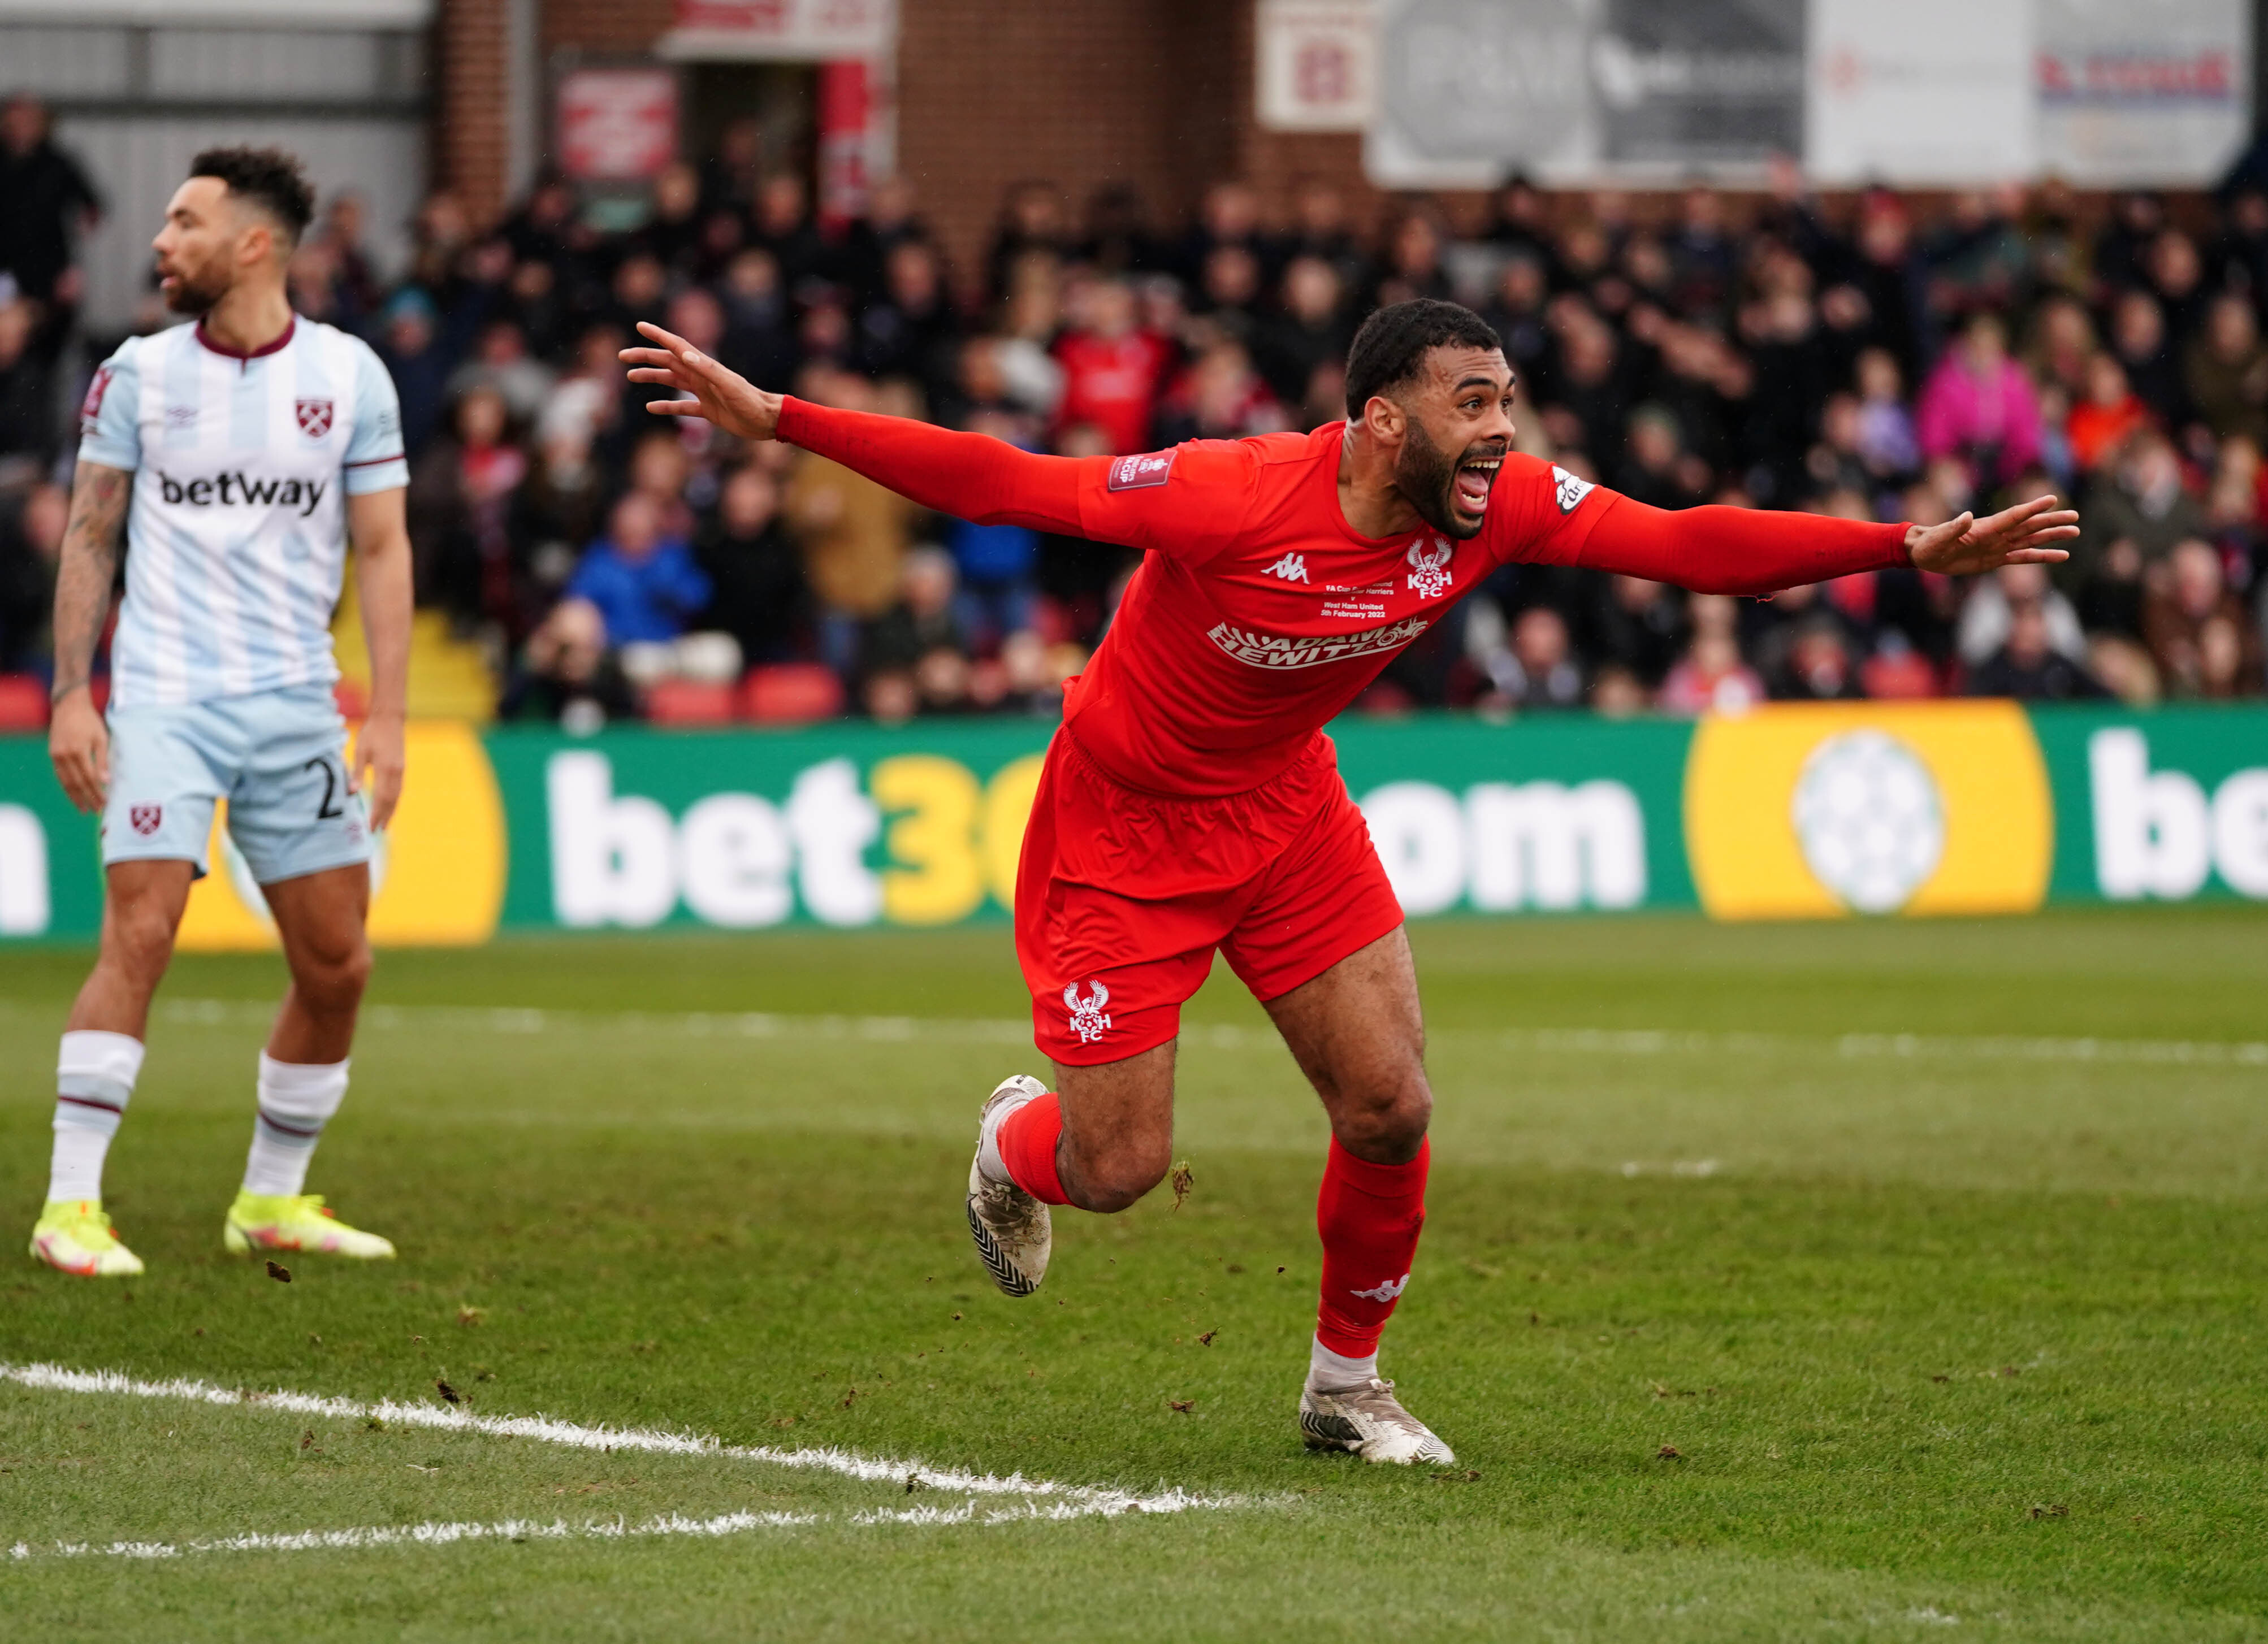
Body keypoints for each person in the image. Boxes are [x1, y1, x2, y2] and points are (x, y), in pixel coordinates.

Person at [622, 300, 2076, 1465]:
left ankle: (1346, 1387)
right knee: (1117, 1167)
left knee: (1391, 1105)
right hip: (1124, 829)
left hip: (1286, 811)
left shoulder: (1494, 505)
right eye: (1472, 403)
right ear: (1383, 419)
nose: (1498, 429)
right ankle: (1015, 1146)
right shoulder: (1227, 491)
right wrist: (782, 418)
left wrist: (1899, 547)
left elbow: (1683, 545)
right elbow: (1011, 486)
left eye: (1504, 402)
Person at [35, 148, 411, 1278]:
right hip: (162, 699)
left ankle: (271, 1199)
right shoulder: (137, 375)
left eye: (185, 223)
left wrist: (386, 714)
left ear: (254, 244)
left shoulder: (351, 377)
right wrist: (71, 694)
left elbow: (385, 548)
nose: (160, 242)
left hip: (296, 705)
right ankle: (70, 1208)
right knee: (141, 930)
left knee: (338, 965)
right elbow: (91, 534)